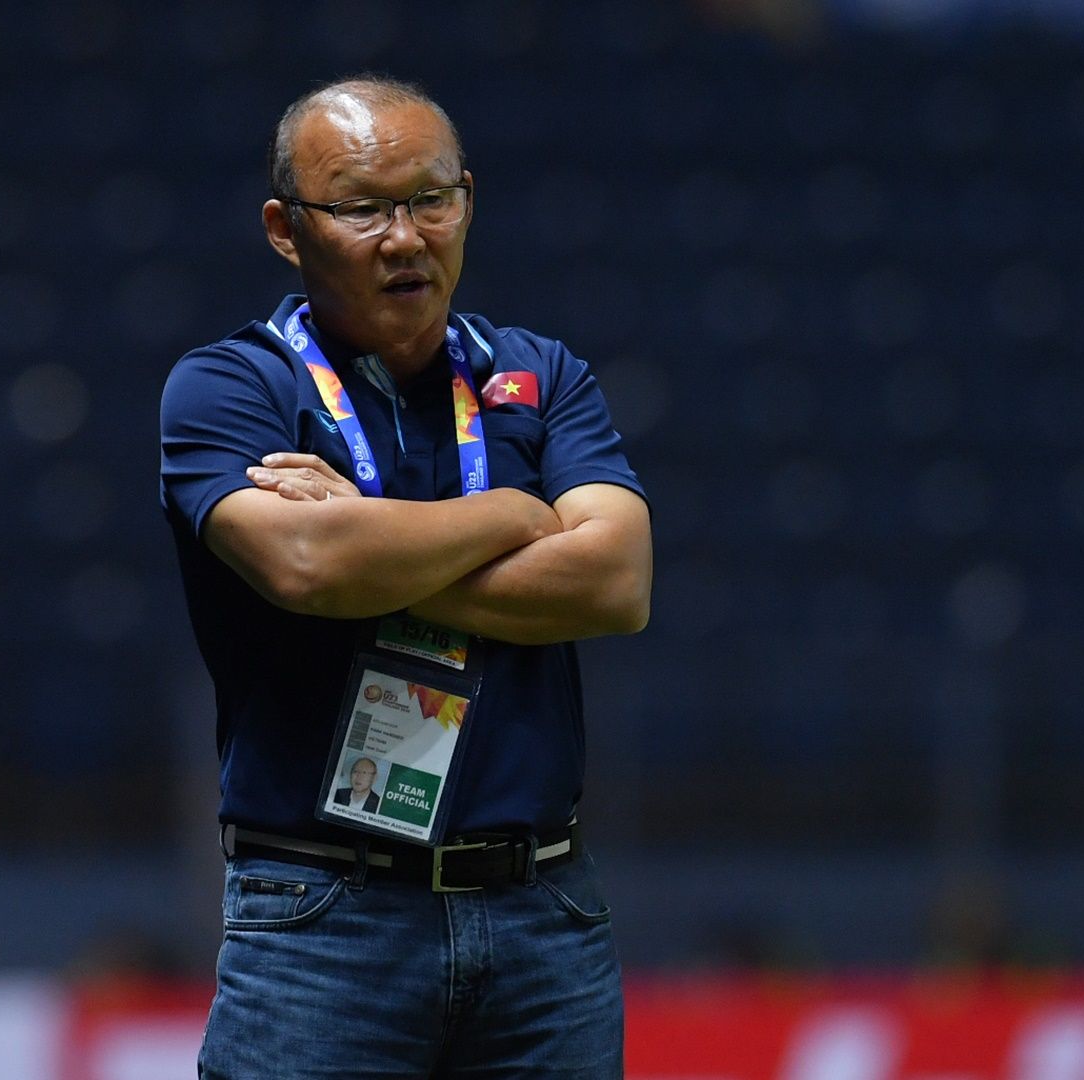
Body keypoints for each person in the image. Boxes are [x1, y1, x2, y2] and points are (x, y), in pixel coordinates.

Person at [159, 76, 652, 1077]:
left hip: (541, 913)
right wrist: (517, 516)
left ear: (468, 198)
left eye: (431, 198)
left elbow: (615, 583)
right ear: (285, 230)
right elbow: (302, 562)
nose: (404, 237)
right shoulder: (230, 387)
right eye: (360, 208)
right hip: (324, 917)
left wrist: (366, 547)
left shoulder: (540, 375)